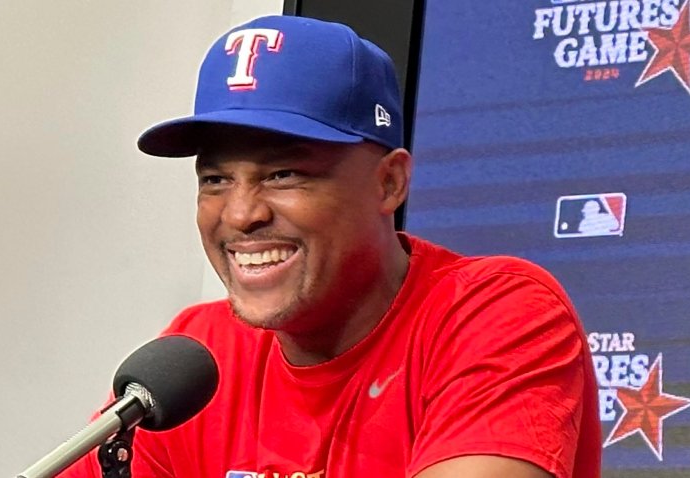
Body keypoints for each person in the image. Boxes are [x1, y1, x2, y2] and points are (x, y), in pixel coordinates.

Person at [60, 15, 601, 478]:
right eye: (216, 179)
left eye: (283, 173)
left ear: (388, 183)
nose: (242, 214)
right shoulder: (197, 355)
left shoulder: (495, 314)